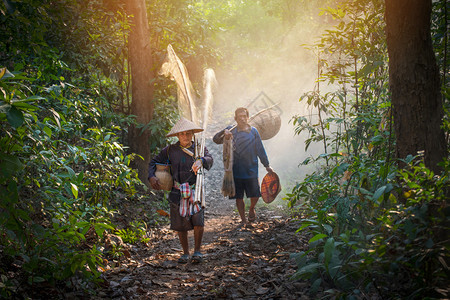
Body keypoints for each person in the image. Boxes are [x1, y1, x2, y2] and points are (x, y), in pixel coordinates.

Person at [148, 118, 213, 263]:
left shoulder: (199, 148)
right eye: (182, 134)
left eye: (188, 133)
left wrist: (202, 161)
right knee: (180, 224)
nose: (185, 136)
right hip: (177, 190)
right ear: (177, 135)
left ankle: (197, 251)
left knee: (198, 220)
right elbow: (153, 162)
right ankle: (185, 253)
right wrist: (151, 176)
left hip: (196, 189)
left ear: (192, 134)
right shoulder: (170, 150)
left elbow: (210, 158)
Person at [213, 107, 274, 225]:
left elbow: (260, 149)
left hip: (251, 169)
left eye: (244, 116)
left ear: (248, 118)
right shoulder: (231, 131)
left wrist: (267, 165)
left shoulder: (253, 131)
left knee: (255, 195)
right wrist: (224, 133)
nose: (242, 119)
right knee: (239, 197)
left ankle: (251, 208)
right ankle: (243, 220)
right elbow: (216, 139)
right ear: (235, 119)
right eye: (239, 117)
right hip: (235, 170)